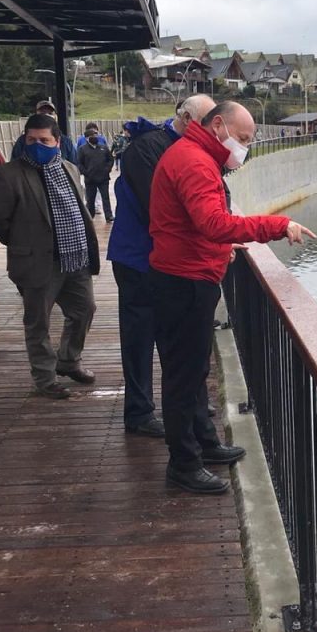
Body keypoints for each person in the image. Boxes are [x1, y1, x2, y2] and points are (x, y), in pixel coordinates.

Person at [148, 101, 316, 494]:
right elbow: (213, 223)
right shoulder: (193, 161)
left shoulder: (196, 155)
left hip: (190, 276)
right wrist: (277, 225)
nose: (245, 147)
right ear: (218, 125)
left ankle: (203, 444)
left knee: (193, 372)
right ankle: (183, 464)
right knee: (182, 376)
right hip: (182, 281)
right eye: (243, 138)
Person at [107, 96, 216, 440]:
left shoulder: (189, 149)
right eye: (206, 123)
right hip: (138, 258)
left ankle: (188, 405)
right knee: (140, 337)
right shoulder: (146, 149)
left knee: (178, 341)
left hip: (169, 262)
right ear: (185, 118)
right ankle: (139, 411)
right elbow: (163, 208)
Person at [0, 114, 99, 399]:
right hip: (37, 261)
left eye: (44, 140)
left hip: (75, 257)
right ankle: (45, 378)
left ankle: (69, 360)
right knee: (38, 322)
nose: (37, 145)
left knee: (84, 309)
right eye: (31, 140)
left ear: (57, 141)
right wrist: (22, 243)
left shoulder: (69, 168)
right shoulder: (8, 174)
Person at [10, 99, 77, 164]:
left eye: (50, 113)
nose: (46, 115)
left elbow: (74, 165)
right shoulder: (22, 140)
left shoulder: (65, 141)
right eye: (42, 113)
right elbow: (14, 164)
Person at [77, 124, 115, 222]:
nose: (95, 137)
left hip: (103, 178)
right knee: (90, 200)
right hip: (90, 179)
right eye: (92, 136)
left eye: (96, 135)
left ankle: (109, 215)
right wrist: (86, 173)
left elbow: (110, 159)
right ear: (87, 138)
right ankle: (90, 217)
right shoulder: (82, 149)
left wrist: (107, 169)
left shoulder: (103, 147)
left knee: (105, 198)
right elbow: (79, 163)